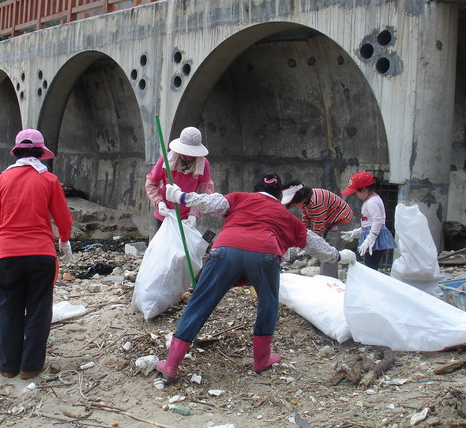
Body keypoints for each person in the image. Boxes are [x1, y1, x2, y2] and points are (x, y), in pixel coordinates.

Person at [154, 171, 356, 381]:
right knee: (268, 304)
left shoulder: (240, 197)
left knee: (200, 302)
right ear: (279, 196)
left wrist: (182, 197)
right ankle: (261, 359)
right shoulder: (285, 215)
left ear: (255, 189)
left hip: (225, 250)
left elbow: (213, 202)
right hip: (265, 255)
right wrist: (339, 256)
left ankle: (171, 365)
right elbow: (313, 242)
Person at [0, 129, 74, 379]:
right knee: (38, 309)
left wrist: (3, 240)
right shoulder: (49, 180)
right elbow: (63, 219)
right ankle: (30, 366)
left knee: (8, 308)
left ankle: (8, 367)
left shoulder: (3, 179)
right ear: (40, 153)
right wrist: (64, 242)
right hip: (41, 254)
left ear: (18, 152)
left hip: (6, 254)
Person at [145, 126, 214, 229]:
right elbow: (151, 183)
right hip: (165, 213)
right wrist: (159, 202)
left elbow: (207, 192)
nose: (189, 156)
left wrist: (195, 213)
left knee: (183, 244)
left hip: (187, 216)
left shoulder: (203, 164)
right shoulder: (167, 159)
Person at [282, 180, 353, 278]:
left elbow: (318, 228)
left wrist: (310, 243)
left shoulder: (316, 202)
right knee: (324, 247)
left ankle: (329, 280)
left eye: (293, 202)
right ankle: (327, 277)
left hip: (341, 219)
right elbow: (305, 220)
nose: (293, 206)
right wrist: (304, 237)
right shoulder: (305, 201)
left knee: (329, 250)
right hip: (328, 220)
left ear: (300, 196)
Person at [340, 171, 396, 271]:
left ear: (364, 190)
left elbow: (378, 221)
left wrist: (371, 238)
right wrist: (357, 232)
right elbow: (368, 222)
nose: (355, 195)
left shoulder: (372, 202)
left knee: (371, 267)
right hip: (372, 234)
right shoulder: (370, 200)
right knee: (370, 265)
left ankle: (370, 285)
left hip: (375, 239)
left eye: (356, 193)